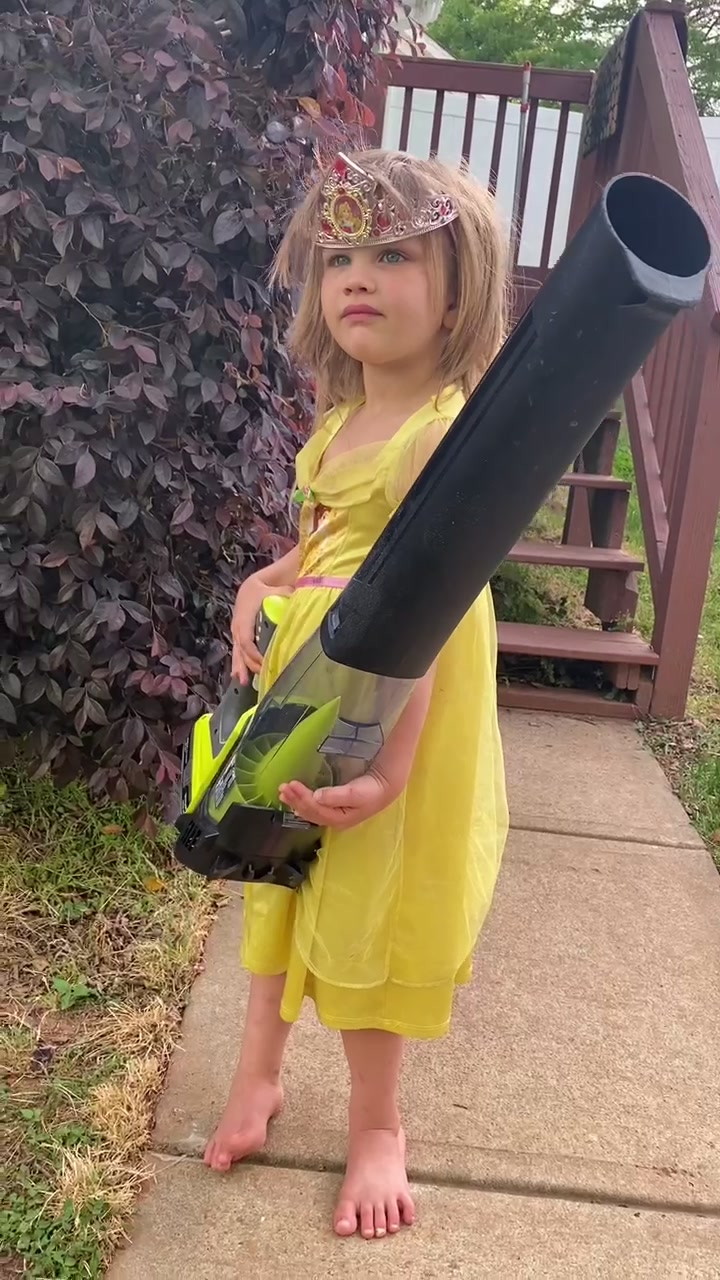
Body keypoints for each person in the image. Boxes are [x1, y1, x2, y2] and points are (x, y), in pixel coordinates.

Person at [203, 148, 510, 1240]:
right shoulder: (341, 421)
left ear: (458, 291)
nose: (359, 277)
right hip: (315, 686)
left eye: (394, 255)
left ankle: (379, 1124)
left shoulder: (439, 438)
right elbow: (319, 545)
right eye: (339, 259)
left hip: (396, 700)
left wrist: (389, 768)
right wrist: (264, 582)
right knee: (279, 870)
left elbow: (423, 611)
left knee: (368, 899)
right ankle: (258, 1074)